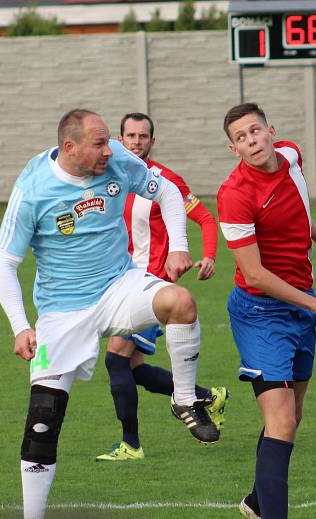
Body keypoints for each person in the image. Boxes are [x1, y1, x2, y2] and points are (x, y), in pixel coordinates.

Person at [0, 109, 219, 519]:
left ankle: (185, 399)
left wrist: (178, 246)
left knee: (181, 303)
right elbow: (5, 261)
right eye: (99, 144)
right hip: (62, 313)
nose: (110, 150)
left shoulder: (116, 160)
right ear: (69, 147)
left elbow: (168, 192)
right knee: (43, 421)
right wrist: (20, 324)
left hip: (119, 287)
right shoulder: (33, 187)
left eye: (107, 142)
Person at [217, 103, 316, 519]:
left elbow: (299, 203)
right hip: (260, 312)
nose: (251, 140)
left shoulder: (291, 154)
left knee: (291, 417)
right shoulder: (234, 194)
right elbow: (253, 273)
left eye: (255, 131)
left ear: (271, 132)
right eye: (241, 137)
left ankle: (258, 501)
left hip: (300, 303)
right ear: (233, 148)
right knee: (282, 422)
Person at [96, 112, 227, 462]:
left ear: (153, 141)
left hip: (153, 286)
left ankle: (131, 445)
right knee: (135, 369)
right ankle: (205, 396)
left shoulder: (164, 180)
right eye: (130, 135)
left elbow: (205, 219)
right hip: (121, 283)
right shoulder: (111, 177)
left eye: (143, 136)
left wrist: (208, 256)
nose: (137, 141)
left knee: (115, 360)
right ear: (119, 140)